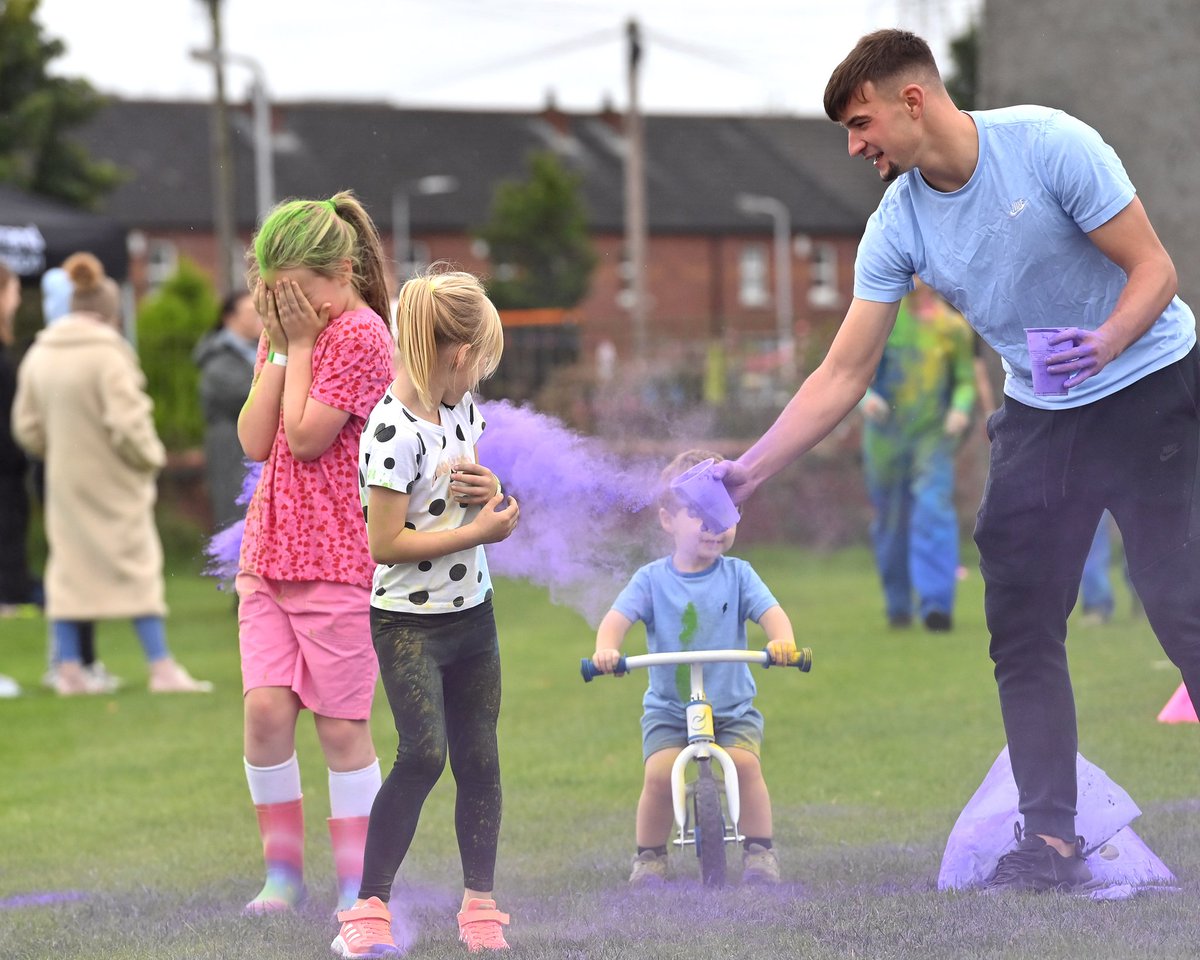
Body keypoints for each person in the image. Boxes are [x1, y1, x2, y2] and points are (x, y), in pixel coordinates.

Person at [716, 29, 1199, 894]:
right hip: (1044, 414)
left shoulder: (1049, 144)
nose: (854, 145)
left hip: (1153, 384)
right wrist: (749, 471)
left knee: (1180, 604)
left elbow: (1154, 269)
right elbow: (843, 370)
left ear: (914, 99)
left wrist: (1105, 342)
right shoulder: (896, 224)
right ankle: (1051, 839)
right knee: (1018, 621)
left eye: (861, 123)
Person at [332, 267, 519, 958]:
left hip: (475, 613)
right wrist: (480, 532)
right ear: (460, 354)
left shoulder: (462, 410)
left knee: (480, 757)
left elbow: (467, 494)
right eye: (482, 360)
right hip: (409, 624)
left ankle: (480, 905)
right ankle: (368, 906)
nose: (480, 375)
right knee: (424, 754)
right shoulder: (389, 430)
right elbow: (385, 545)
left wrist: (491, 489)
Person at [236, 191, 394, 917]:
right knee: (266, 712)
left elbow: (306, 438)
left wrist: (298, 346)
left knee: (339, 724)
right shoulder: (289, 334)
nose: (296, 307)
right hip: (269, 556)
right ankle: (282, 875)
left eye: (304, 294)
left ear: (346, 271)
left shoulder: (360, 336)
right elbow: (255, 438)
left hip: (337, 560)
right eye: (279, 297)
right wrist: (275, 349)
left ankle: (362, 884)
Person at [590, 449, 798, 888]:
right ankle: (649, 856)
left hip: (732, 707)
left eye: (722, 512)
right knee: (660, 774)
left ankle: (760, 851)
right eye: (697, 513)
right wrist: (607, 649)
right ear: (668, 520)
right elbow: (616, 620)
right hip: (669, 708)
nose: (712, 526)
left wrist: (782, 642)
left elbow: (772, 613)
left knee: (745, 766)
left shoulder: (739, 575)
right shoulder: (650, 580)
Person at [11, 252, 213, 696]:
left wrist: (59, 450)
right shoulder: (110, 354)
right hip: (116, 481)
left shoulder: (39, 354)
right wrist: (150, 458)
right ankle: (161, 667)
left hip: (64, 479)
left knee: (68, 571)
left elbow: (26, 427)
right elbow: (129, 424)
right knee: (136, 567)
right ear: (110, 311)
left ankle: (69, 671)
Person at [858, 280, 975, 631]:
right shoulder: (880, 319)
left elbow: (965, 380)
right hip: (884, 438)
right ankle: (898, 606)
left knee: (933, 511)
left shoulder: (952, 327)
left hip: (931, 437)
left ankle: (937, 605)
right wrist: (867, 400)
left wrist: (961, 407)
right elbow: (854, 373)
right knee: (891, 520)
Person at [194, 290, 263, 532]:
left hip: (252, 449)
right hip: (232, 451)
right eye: (250, 312)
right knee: (238, 522)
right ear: (229, 318)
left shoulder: (254, 351)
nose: (259, 317)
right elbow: (251, 398)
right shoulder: (218, 360)